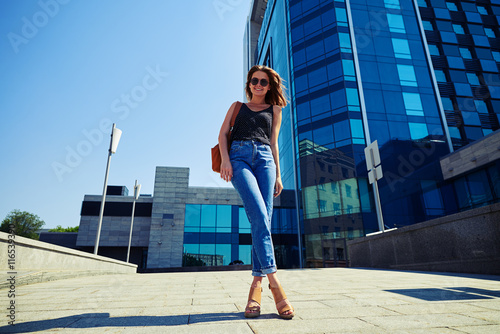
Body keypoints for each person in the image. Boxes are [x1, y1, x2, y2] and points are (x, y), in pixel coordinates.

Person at [217, 65, 294, 320]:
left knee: (264, 223)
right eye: (254, 81)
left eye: (263, 81)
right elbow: (222, 134)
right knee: (260, 216)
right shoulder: (237, 106)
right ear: (249, 84)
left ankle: (256, 287)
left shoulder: (275, 110)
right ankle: (275, 284)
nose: (258, 85)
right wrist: (226, 161)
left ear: (269, 85)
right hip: (238, 159)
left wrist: (280, 175)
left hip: (265, 161)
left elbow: (273, 143)